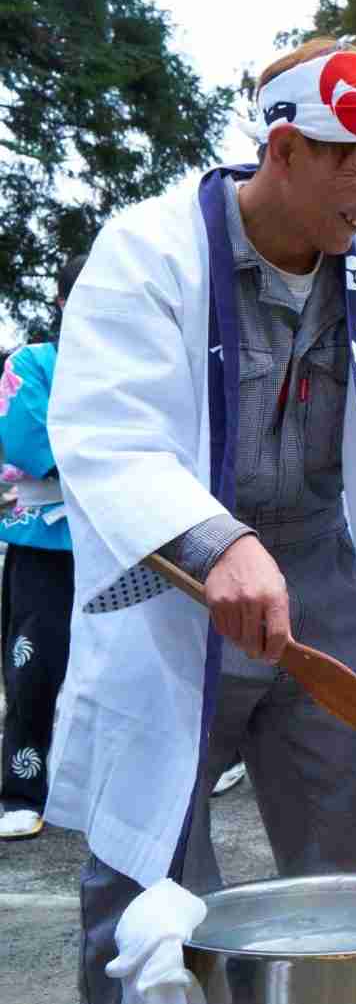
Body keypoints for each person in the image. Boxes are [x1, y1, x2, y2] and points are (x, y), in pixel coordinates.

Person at [47, 39, 356, 1002]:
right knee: (149, 868)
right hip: (178, 588)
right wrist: (216, 539)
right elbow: (107, 427)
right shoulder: (150, 248)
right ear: (285, 150)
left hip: (323, 574)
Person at [0, 253, 86, 841]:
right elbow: (31, 443)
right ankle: (22, 790)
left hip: (125, 539)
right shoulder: (31, 363)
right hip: (46, 544)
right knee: (35, 668)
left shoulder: (137, 366)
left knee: (132, 670)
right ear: (61, 302)